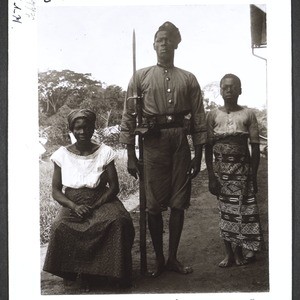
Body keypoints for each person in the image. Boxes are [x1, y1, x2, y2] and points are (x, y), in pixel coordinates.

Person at [120, 21, 207, 277]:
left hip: (180, 142)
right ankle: (158, 259)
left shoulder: (188, 78)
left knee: (179, 203)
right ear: (153, 45)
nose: (164, 43)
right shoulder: (140, 77)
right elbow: (128, 116)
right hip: (152, 143)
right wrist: (131, 155)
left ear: (177, 44)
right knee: (153, 206)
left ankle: (172, 258)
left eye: (169, 39)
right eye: (160, 39)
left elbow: (199, 117)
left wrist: (198, 154)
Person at [43, 109, 135, 290]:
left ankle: (110, 271)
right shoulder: (61, 154)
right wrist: (73, 206)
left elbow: (114, 187)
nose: (82, 132)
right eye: (77, 128)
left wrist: (96, 204)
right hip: (72, 200)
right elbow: (56, 191)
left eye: (87, 127)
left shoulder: (105, 152)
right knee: (60, 225)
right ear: (71, 130)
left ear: (93, 128)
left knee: (119, 221)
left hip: (102, 197)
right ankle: (74, 270)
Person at [205, 73, 263, 267]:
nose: (228, 90)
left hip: (242, 172)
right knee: (225, 212)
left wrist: (253, 176)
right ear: (220, 90)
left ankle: (239, 252)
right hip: (222, 173)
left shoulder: (247, 114)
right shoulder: (213, 115)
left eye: (232, 86)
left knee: (242, 211)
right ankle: (228, 254)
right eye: (224, 87)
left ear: (240, 90)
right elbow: (207, 147)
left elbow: (255, 147)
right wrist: (212, 177)